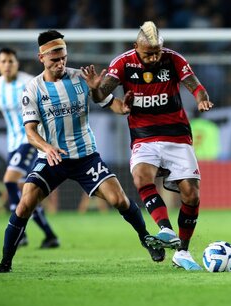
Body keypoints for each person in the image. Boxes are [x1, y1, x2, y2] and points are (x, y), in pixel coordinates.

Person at [0, 30, 164, 274]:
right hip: (52, 158)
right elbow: (30, 132)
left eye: (63, 58)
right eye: (54, 60)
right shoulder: (32, 89)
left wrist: (111, 98)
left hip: (85, 157)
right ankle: (5, 263)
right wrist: (47, 147)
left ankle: (147, 239)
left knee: (119, 199)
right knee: (25, 203)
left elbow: (114, 105)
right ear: (41, 58)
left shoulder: (82, 77)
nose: (60, 64)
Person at [87, 21, 213, 271]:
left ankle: (183, 252)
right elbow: (101, 96)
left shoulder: (173, 59)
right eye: (148, 53)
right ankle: (165, 229)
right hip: (144, 135)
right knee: (141, 177)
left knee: (192, 194)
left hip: (176, 135)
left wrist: (202, 100)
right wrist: (95, 89)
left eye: (157, 51)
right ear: (136, 47)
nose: (154, 57)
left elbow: (196, 86)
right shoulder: (123, 63)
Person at [0, 47, 59, 249]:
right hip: (13, 144)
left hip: (30, 140)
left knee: (9, 179)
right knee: (27, 192)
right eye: (3, 61)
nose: (7, 65)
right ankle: (50, 236)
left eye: (11, 61)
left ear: (17, 64)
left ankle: (19, 231)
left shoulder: (28, 82)